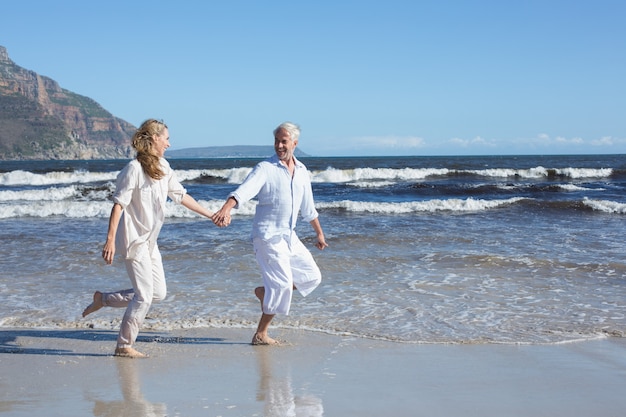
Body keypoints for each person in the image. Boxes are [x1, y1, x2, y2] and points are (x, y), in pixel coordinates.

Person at [82, 119, 222, 358]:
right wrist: (110, 240)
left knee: (158, 293)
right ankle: (124, 346)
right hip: (134, 241)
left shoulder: (164, 166)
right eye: (166, 138)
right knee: (144, 296)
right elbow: (118, 205)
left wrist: (211, 214)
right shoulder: (133, 169)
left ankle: (103, 299)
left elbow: (180, 196)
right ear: (154, 138)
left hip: (150, 242)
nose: (169, 142)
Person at [213, 122, 328, 345]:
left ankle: (266, 293)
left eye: (284, 141)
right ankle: (261, 334)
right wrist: (226, 208)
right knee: (283, 286)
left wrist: (319, 234)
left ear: (295, 143)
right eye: (276, 141)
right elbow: (244, 191)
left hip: (289, 237)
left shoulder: (303, 171)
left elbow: (309, 208)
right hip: (267, 237)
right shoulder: (265, 168)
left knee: (312, 276)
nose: (279, 145)